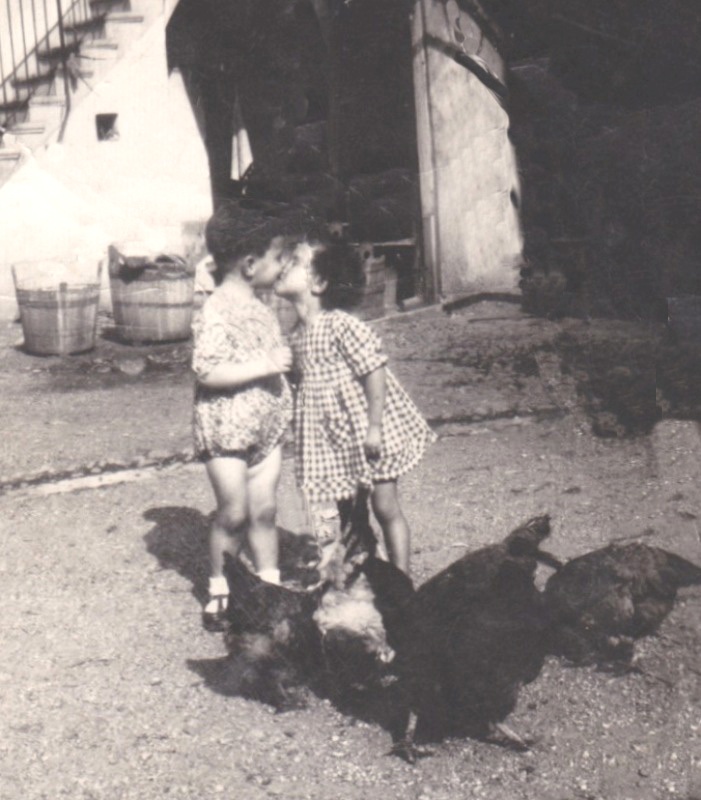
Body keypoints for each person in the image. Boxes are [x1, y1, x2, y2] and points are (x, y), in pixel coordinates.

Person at [274, 239, 436, 575]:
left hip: (364, 431)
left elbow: (374, 370)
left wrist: (374, 427)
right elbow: (299, 385)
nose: (283, 266)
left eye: (294, 263)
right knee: (346, 509)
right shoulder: (295, 334)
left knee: (385, 504)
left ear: (318, 283)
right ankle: (361, 562)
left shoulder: (341, 325)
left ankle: (400, 579)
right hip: (331, 442)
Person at [191, 203, 295, 630]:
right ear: (251, 264)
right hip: (226, 430)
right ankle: (221, 588)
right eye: (278, 259)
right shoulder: (214, 310)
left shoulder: (262, 306)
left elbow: (277, 357)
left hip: (265, 427)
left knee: (265, 509)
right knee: (232, 513)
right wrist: (266, 365)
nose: (283, 266)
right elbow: (207, 370)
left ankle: (268, 586)